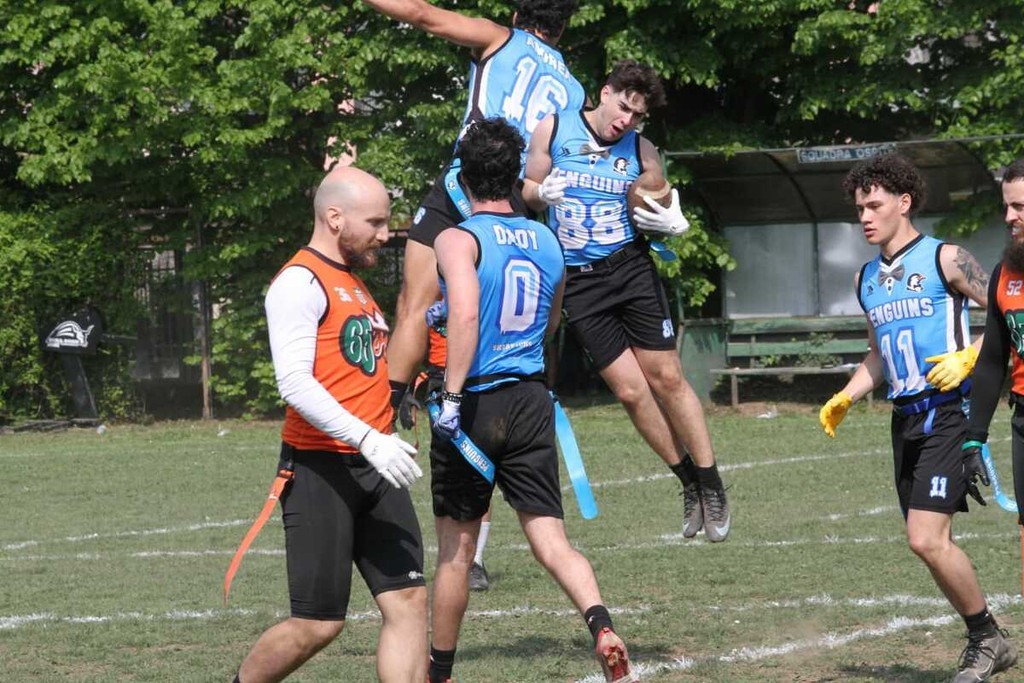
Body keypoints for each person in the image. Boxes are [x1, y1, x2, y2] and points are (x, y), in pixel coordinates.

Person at [427, 117, 636, 683]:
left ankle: (439, 672)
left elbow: (467, 314)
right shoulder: (546, 239)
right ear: (516, 176)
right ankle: (601, 625)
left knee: (456, 551)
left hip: (474, 402)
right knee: (551, 540)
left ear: (462, 178)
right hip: (529, 396)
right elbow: (548, 319)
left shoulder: (456, 237)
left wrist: (450, 395)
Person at [818, 153, 1016, 683]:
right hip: (903, 421)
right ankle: (989, 638)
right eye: (859, 208)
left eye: (875, 205)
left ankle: (986, 638)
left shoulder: (946, 259)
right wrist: (846, 395)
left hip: (948, 413)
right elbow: (878, 355)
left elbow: (1008, 315)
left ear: (904, 202)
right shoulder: (865, 279)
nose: (865, 216)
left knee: (926, 538)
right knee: (928, 543)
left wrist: (970, 357)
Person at [231, 166, 428, 683]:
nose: (385, 234)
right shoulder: (299, 281)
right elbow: (294, 384)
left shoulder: (353, 282)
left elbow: (355, 370)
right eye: (376, 222)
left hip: (376, 465)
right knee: (317, 624)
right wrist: (366, 438)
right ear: (334, 217)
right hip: (322, 469)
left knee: (409, 600)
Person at [523, 59, 731, 542]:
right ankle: (688, 481)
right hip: (578, 281)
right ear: (605, 92)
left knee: (667, 378)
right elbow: (527, 190)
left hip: (629, 268)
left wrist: (671, 219)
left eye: (637, 115)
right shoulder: (553, 128)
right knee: (631, 392)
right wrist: (541, 192)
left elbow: (658, 195)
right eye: (623, 107)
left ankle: (712, 484)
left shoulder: (642, 148)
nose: (626, 120)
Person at [357, 0, 587, 411]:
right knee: (492, 315)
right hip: (515, 200)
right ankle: (484, 403)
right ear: (563, 27)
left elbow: (421, 13)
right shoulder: (575, 91)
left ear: (517, 16)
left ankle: (384, 413)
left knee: (415, 305)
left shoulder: (500, 37)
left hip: (465, 180)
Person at [963, 158, 1024, 676]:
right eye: (1006, 206)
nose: (1009, 217)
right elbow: (992, 361)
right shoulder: (1005, 274)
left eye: (1019, 206)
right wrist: (972, 437)